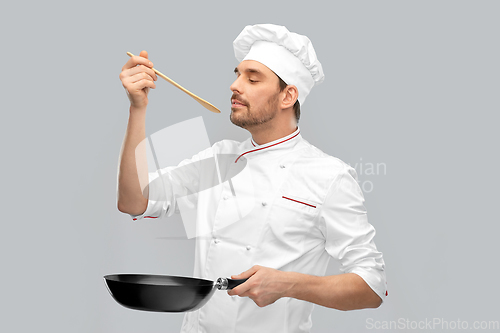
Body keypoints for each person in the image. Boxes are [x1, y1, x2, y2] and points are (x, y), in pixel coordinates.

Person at [117, 24, 387, 333]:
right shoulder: (218, 160)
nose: (234, 85)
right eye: (237, 74)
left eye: (252, 78)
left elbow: (372, 286)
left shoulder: (330, 176)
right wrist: (138, 109)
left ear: (288, 96)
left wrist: (288, 284)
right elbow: (132, 200)